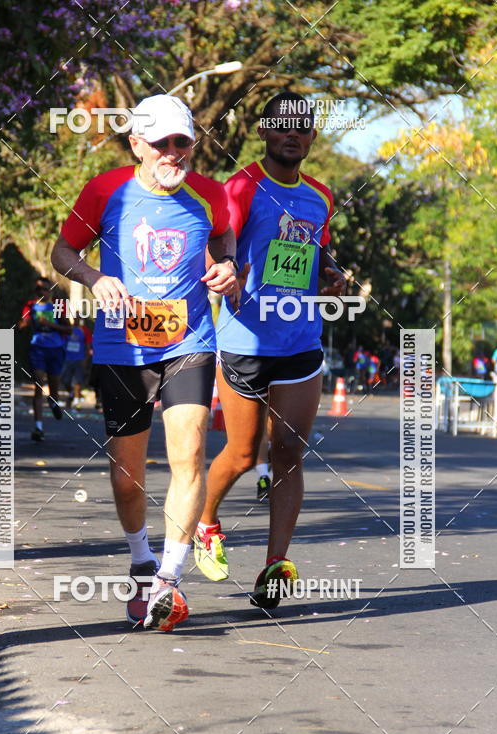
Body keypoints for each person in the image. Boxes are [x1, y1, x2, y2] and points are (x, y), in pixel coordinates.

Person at [51, 93, 237, 632]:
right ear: (137, 144)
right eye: (162, 143)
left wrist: (227, 268)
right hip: (122, 347)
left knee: (191, 453)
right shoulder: (105, 190)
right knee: (127, 476)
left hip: (190, 340)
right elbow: (62, 252)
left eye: (183, 142)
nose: (174, 153)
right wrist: (94, 278)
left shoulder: (210, 194)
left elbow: (224, 241)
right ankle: (141, 562)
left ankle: (170, 581)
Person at [194, 90, 346, 607]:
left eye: (302, 127)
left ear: (312, 136)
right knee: (240, 455)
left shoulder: (321, 196)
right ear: (264, 131)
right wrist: (228, 266)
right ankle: (207, 521)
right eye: (283, 126)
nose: (293, 133)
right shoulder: (241, 186)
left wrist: (332, 275)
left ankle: (275, 566)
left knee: (289, 454)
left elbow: (318, 250)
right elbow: (221, 239)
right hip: (244, 342)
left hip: (300, 341)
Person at [18, 277, 71, 441]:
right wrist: (24, 323)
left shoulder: (56, 306)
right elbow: (21, 325)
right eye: (38, 290)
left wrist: (50, 324)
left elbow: (68, 329)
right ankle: (38, 428)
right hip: (37, 349)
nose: (41, 292)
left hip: (55, 349)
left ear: (50, 291)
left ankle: (54, 401)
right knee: (38, 385)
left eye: (45, 289)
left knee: (54, 387)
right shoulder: (30, 306)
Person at [61, 313, 92, 409]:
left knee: (77, 381)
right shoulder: (68, 329)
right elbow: (62, 343)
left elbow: (88, 346)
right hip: (67, 359)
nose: (76, 320)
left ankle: (77, 402)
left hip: (79, 359)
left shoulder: (84, 330)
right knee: (65, 381)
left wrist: (85, 359)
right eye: (75, 318)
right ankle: (71, 393)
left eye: (78, 318)